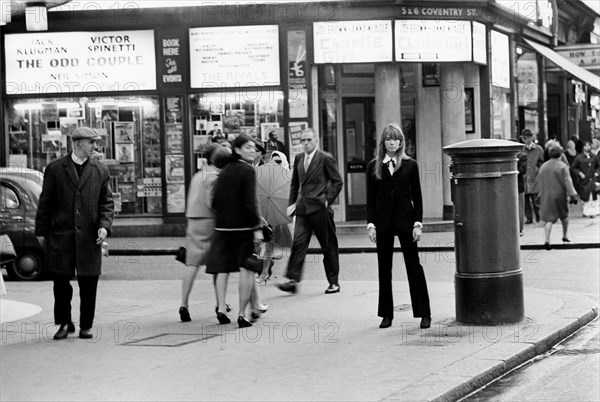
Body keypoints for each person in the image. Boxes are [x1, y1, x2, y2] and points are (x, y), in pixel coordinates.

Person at [35, 127, 114, 340]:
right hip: (61, 235)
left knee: (89, 283)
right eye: (91, 142)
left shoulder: (100, 170)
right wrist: (41, 231)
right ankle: (64, 323)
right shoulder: (55, 169)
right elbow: (46, 202)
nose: (95, 147)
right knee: (61, 283)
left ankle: (86, 325)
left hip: (90, 236)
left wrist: (104, 226)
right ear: (78, 143)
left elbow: (106, 203)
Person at [366, 123, 431, 329]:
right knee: (384, 269)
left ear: (401, 142)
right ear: (383, 142)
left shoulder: (410, 164)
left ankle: (424, 313)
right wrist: (371, 225)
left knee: (414, 266)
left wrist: (418, 224)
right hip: (383, 222)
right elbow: (370, 199)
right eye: (388, 138)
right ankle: (386, 314)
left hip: (406, 221)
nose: (392, 142)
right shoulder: (374, 166)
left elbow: (417, 197)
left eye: (395, 138)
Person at [206, 134, 268, 328]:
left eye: (254, 147)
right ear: (238, 149)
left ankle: (222, 309)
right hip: (244, 229)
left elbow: (215, 202)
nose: (252, 150)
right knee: (247, 269)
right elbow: (251, 203)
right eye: (248, 147)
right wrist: (257, 228)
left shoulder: (224, 171)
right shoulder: (248, 170)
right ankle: (242, 314)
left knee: (222, 269)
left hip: (222, 228)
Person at [277, 128, 343, 294]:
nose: (305, 143)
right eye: (303, 140)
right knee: (298, 243)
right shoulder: (299, 158)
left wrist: (327, 199)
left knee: (328, 246)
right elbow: (294, 184)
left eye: (308, 140)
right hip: (303, 209)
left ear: (316, 141)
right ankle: (293, 280)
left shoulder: (325, 158)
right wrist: (291, 204)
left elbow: (337, 181)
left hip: (320, 208)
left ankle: (333, 282)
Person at [179, 144, 231, 322]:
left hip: (193, 221)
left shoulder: (197, 175)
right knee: (218, 266)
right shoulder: (215, 177)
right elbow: (212, 202)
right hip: (210, 222)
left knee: (192, 265)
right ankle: (220, 305)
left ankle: (184, 305)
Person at [538, 145, 578, 250]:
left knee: (549, 219)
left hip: (547, 195)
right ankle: (565, 236)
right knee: (564, 216)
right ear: (560, 154)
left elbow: (539, 181)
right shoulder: (562, 166)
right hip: (560, 195)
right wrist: (573, 194)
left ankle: (547, 240)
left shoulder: (544, 166)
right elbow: (567, 181)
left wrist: (539, 194)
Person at [521, 129, 544, 224]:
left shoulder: (538, 149)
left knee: (536, 199)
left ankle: (538, 216)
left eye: (528, 138)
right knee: (525, 199)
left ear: (531, 138)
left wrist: (538, 171)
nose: (526, 140)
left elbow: (541, 162)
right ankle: (529, 218)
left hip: (535, 176)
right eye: (524, 138)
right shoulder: (521, 149)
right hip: (524, 176)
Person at [572, 140, 600, 217]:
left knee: (593, 194)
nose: (588, 147)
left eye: (589, 145)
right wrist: (580, 173)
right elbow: (573, 167)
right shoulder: (579, 157)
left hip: (592, 178)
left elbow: (598, 166)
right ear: (583, 147)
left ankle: (593, 212)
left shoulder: (594, 157)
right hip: (584, 179)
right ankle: (586, 211)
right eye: (586, 145)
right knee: (585, 194)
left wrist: (597, 172)